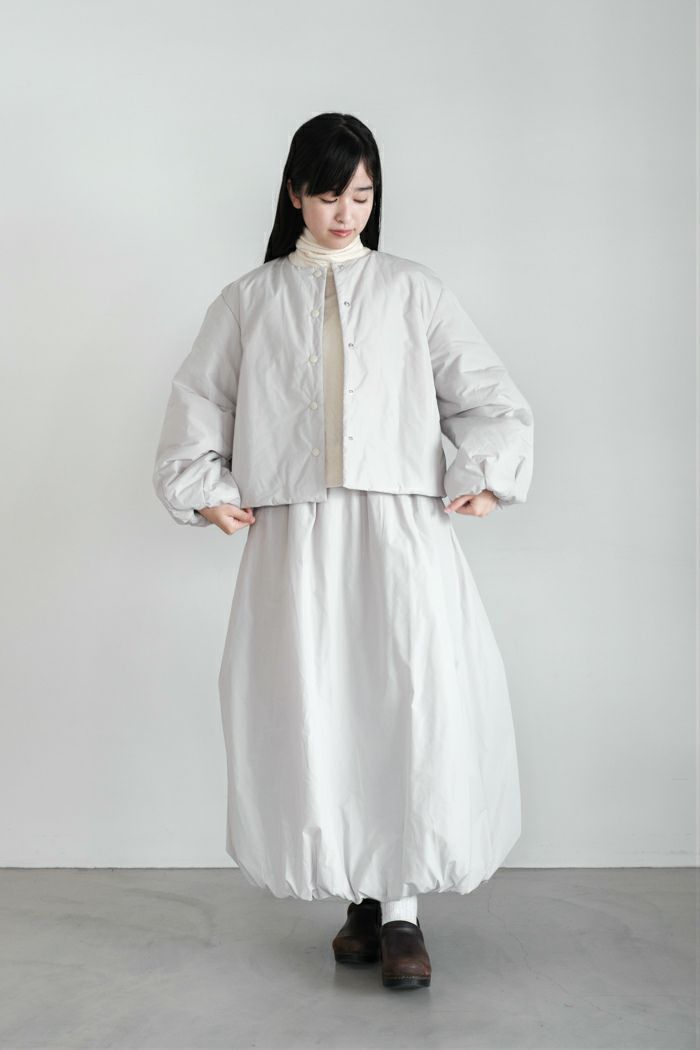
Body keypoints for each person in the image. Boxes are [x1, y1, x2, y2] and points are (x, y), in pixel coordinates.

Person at [152, 112, 534, 991]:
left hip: (401, 530)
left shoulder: (412, 290)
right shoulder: (249, 299)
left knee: (409, 698)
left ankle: (401, 910)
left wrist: (487, 474)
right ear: (295, 194)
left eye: (361, 196)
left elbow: (487, 394)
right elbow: (199, 401)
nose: (345, 213)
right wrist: (205, 489)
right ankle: (358, 898)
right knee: (317, 702)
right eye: (329, 195)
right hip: (296, 537)